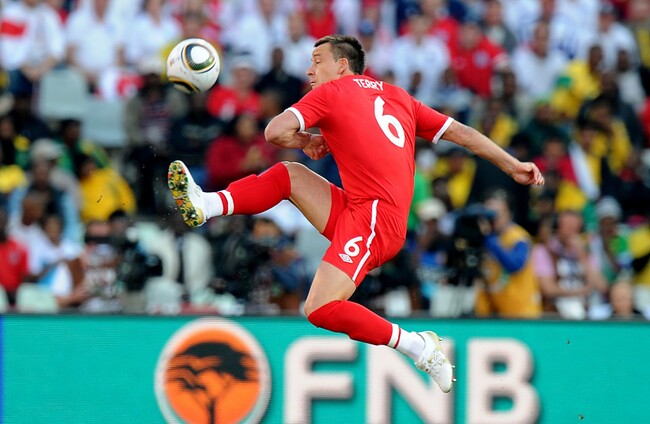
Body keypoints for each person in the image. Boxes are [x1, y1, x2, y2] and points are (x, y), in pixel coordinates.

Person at [168, 35, 545, 393]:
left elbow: (274, 132)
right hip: (362, 209)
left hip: (375, 220)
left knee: (319, 308)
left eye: (317, 61)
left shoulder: (332, 92)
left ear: (342, 66)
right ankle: (207, 205)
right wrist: (513, 164)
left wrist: (305, 140)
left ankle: (418, 346)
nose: (310, 70)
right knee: (289, 176)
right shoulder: (399, 96)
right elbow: (463, 134)